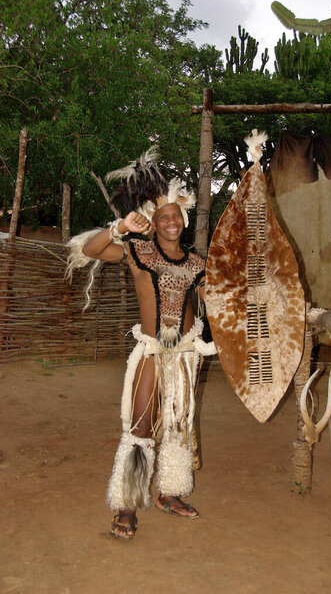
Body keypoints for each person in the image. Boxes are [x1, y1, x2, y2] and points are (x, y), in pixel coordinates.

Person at [66, 148, 215, 539]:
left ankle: (170, 491)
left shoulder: (198, 264)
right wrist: (119, 228)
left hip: (185, 356)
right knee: (141, 426)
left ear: (183, 221)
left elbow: (217, 301)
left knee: (180, 425)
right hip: (151, 351)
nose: (170, 221)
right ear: (154, 221)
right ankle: (127, 504)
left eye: (175, 215)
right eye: (162, 216)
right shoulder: (137, 251)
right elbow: (89, 250)